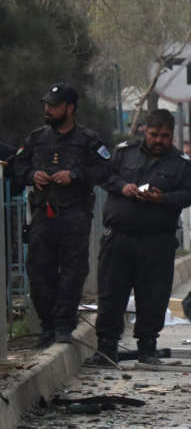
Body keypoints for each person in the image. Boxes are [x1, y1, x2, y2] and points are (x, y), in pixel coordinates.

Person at [9, 84, 113, 347]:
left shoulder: (88, 139)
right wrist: (32, 175)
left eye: (54, 106)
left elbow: (105, 169)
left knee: (72, 272)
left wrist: (75, 175)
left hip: (74, 215)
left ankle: (64, 325)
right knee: (39, 272)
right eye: (46, 105)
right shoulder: (36, 138)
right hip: (43, 216)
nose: (48, 110)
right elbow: (17, 165)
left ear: (70, 108)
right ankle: (47, 327)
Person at [91, 109, 191, 365]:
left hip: (156, 241)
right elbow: (105, 175)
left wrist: (163, 199)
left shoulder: (181, 163)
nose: (159, 140)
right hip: (119, 238)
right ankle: (107, 347)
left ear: (172, 135)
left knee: (153, 296)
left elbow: (188, 194)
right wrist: (123, 187)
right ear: (144, 132)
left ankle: (147, 348)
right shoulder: (124, 152)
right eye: (154, 134)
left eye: (165, 136)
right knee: (111, 294)